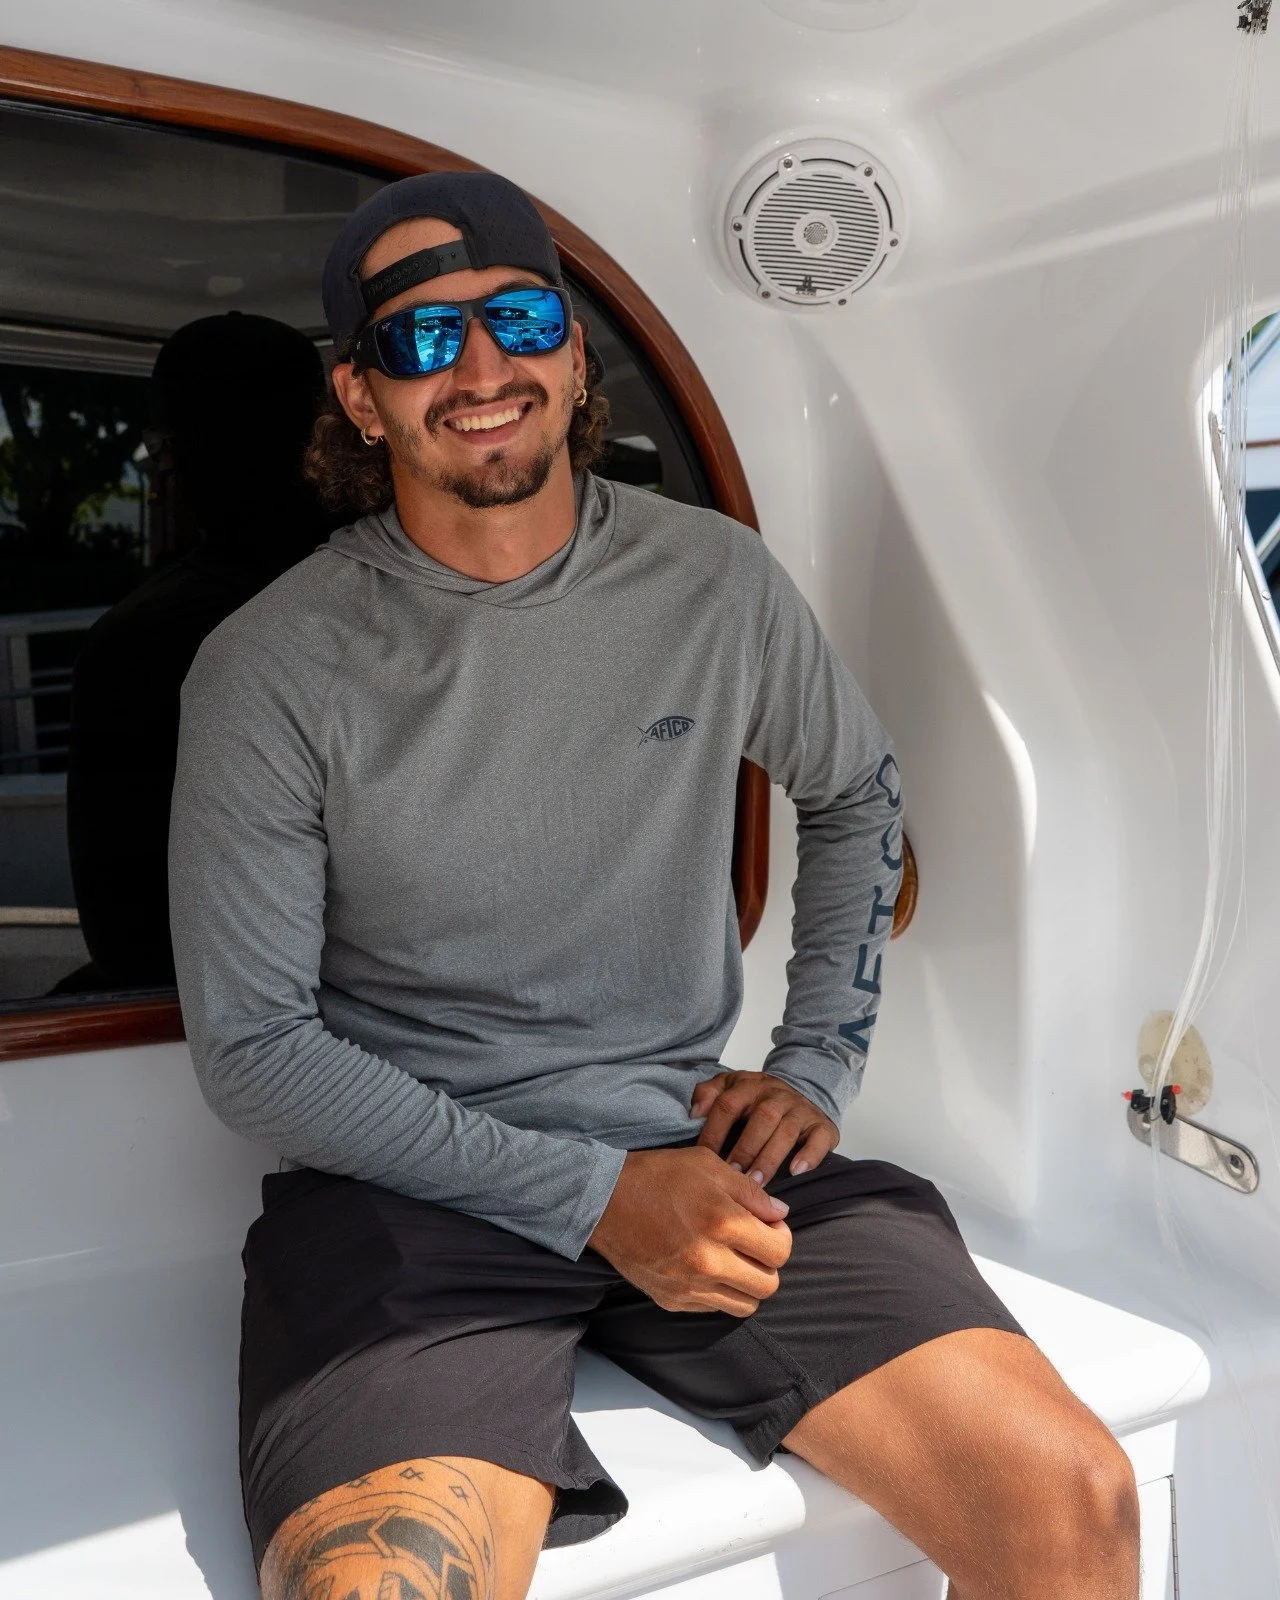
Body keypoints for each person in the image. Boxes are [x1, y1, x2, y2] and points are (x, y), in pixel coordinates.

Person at [168, 173, 1140, 1600]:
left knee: (1077, 1504)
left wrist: (813, 1063)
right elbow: (255, 1052)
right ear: (362, 399)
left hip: (699, 1153)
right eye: (423, 341)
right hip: (414, 1193)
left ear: (573, 357)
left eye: (516, 320)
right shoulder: (271, 665)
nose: (483, 369)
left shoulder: (716, 584)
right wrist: (593, 1199)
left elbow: (859, 794)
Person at [62, 311, 329, 991]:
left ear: (188, 453)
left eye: (161, 450)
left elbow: (127, 941)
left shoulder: (136, 647)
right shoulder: (413, 590)